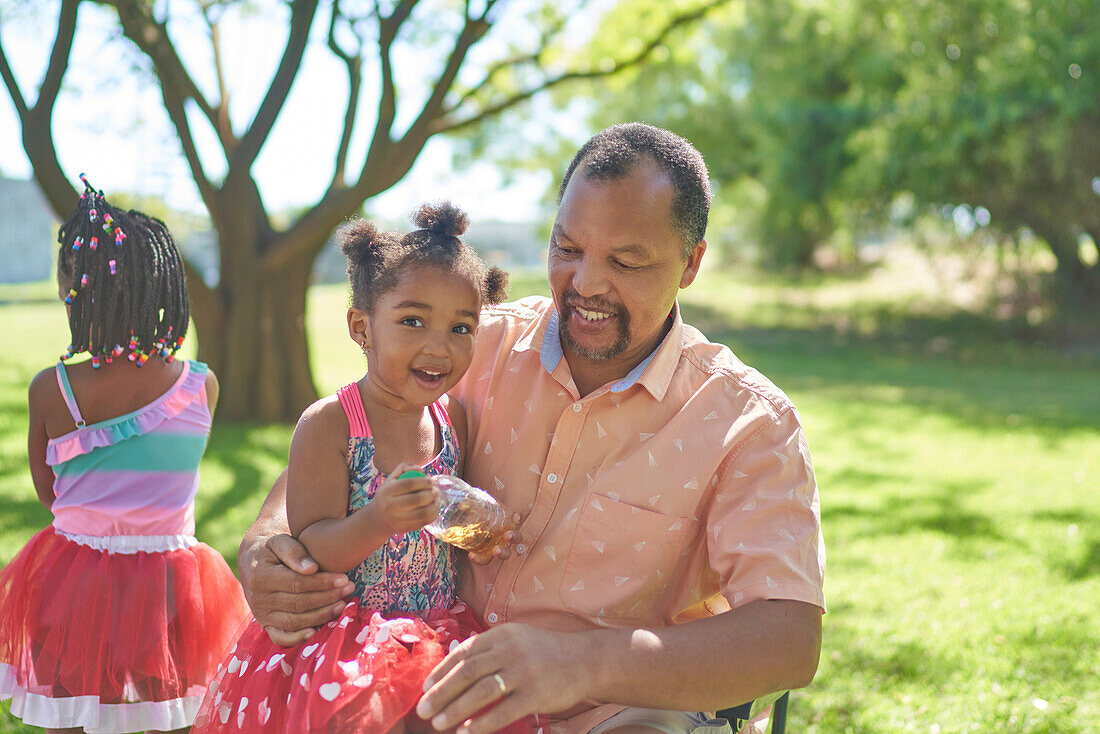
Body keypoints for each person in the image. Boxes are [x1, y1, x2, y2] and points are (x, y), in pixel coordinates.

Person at [239, 123, 826, 734]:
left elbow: (788, 638)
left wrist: (580, 664)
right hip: (429, 690)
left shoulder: (748, 421)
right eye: (567, 249)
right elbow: (351, 438)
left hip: (615, 712)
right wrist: (267, 540)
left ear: (691, 263)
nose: (587, 283)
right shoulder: (471, 342)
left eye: (625, 261)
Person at [192, 203, 535, 734]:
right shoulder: (332, 424)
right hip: (347, 642)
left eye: (461, 327)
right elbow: (313, 549)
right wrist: (377, 520)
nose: (439, 346)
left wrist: (477, 531)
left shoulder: (453, 419)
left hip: (437, 632)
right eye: (412, 321)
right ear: (362, 327)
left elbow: (445, 526)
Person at [0, 175, 251, 734]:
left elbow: (50, 494)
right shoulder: (200, 386)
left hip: (71, 577)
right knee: (171, 710)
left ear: (76, 292)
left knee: (67, 705)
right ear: (162, 289)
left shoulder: (53, 388)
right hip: (171, 583)